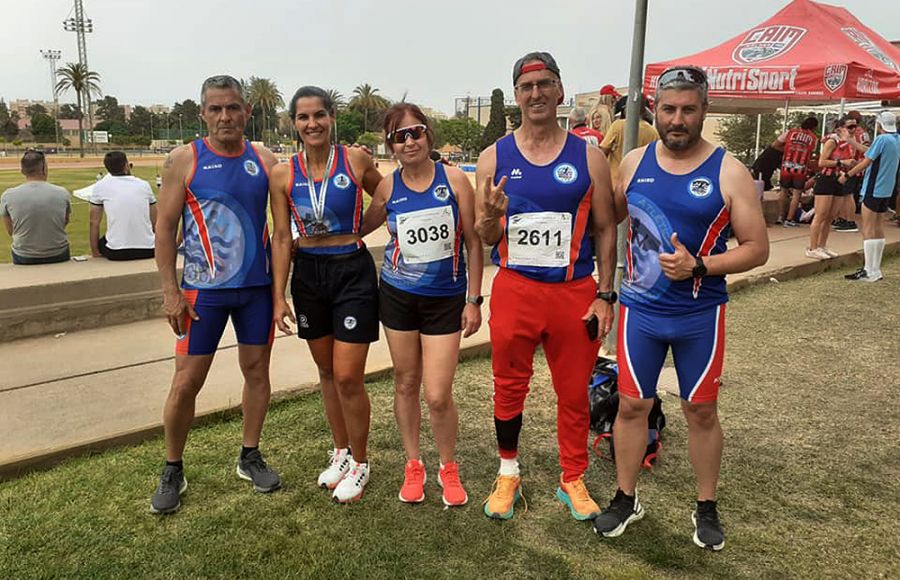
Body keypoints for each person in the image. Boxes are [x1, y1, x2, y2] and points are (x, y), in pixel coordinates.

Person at [592, 66, 768, 550]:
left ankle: (706, 507)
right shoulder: (633, 162)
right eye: (668, 109)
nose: (677, 119)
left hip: (699, 315)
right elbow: (606, 221)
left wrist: (699, 267)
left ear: (703, 111)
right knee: (632, 405)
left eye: (689, 109)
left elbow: (757, 248)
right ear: (656, 109)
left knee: (701, 410)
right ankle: (625, 498)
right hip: (639, 313)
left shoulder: (729, 171)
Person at [475, 52, 618, 522]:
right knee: (508, 387)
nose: (536, 93)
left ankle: (572, 477)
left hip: (573, 291)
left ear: (559, 90)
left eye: (545, 83)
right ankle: (508, 472)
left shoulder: (589, 156)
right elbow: (487, 235)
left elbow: (605, 229)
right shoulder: (493, 157)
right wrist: (491, 217)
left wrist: (605, 293)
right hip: (517, 288)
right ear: (516, 94)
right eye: (527, 85)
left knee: (574, 391)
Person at [150, 75, 281, 515]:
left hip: (256, 292)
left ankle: (250, 454)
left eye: (233, 107)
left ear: (246, 111)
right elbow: (165, 231)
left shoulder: (263, 158)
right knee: (186, 382)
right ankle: (173, 467)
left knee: (257, 373)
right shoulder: (184, 160)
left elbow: (282, 229)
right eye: (215, 108)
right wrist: (171, 291)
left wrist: (280, 292)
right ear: (203, 113)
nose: (225, 116)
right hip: (201, 294)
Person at [360, 103, 483, 506]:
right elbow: (362, 227)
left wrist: (474, 300)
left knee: (437, 393)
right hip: (397, 296)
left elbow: (473, 243)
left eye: (415, 132)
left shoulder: (455, 181)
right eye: (399, 136)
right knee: (405, 382)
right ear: (391, 146)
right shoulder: (387, 188)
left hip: (446, 299)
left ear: (428, 135)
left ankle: (448, 466)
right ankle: (414, 464)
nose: (409, 141)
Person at [270, 86, 383, 503]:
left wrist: (361, 229)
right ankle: (340, 452)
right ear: (294, 123)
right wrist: (279, 296)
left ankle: (362, 461)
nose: (312, 124)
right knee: (328, 373)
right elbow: (283, 236)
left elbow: (388, 195)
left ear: (331, 117)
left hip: (352, 271)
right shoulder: (283, 174)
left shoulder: (354, 159)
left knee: (350, 375)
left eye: (319, 115)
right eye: (303, 117)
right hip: (309, 275)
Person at [841, 111, 899, 282]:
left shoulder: (881, 139)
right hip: (887, 189)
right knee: (878, 228)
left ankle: (868, 270)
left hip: (873, 188)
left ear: (879, 124)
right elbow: (872, 151)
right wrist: (851, 141)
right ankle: (875, 269)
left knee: (868, 228)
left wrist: (847, 175)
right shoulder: (896, 139)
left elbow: (867, 161)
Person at [0, 149, 71, 265]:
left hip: (24, 254)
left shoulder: (8, 195)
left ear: (22, 171)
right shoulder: (62, 192)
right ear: (44, 169)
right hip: (58, 252)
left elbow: (10, 230)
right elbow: (64, 221)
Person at [89, 151, 157, 261]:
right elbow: (155, 220)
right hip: (148, 250)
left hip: (116, 252)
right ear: (126, 165)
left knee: (104, 241)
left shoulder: (100, 186)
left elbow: (94, 222)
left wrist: (95, 253)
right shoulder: (144, 185)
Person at [807, 118, 854, 260]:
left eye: (854, 126)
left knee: (831, 216)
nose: (853, 130)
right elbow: (822, 162)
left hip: (838, 180)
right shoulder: (832, 141)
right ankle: (812, 247)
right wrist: (841, 162)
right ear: (839, 129)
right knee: (821, 215)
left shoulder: (848, 144)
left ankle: (822, 245)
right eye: (850, 127)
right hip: (826, 179)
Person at [601, 95, 660, 189]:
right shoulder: (653, 132)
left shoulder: (618, 126)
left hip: (615, 185)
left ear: (626, 108)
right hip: (640, 186)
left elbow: (602, 153)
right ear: (644, 111)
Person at [772, 116, 818, 227]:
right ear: (814, 127)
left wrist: (787, 150)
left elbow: (774, 145)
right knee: (797, 193)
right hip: (801, 169)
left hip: (786, 166)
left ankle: (780, 217)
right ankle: (789, 219)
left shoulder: (790, 132)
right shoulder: (813, 138)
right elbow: (810, 153)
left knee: (783, 191)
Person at [833, 111, 870, 232]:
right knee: (845, 194)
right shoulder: (863, 133)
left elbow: (865, 150)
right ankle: (844, 218)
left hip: (853, 167)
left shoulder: (856, 134)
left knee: (848, 195)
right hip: (856, 167)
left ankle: (850, 221)